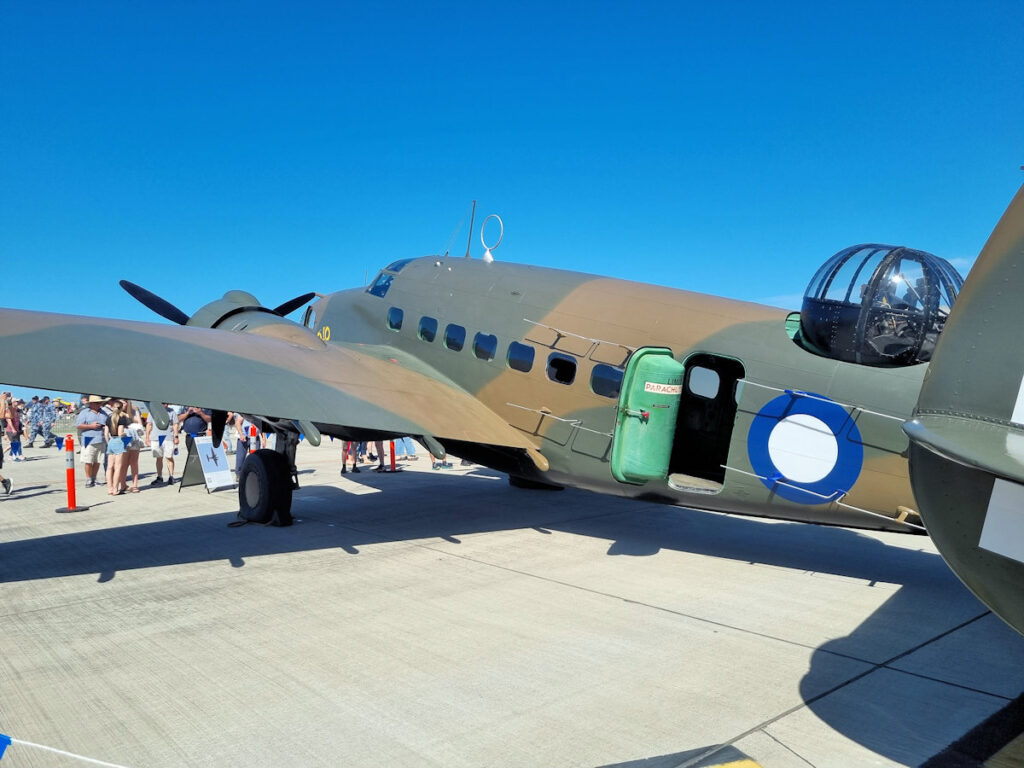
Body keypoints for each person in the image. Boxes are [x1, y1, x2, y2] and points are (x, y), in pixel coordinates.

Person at [76, 395, 109, 487]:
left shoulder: (103, 413)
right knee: (88, 460)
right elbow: (78, 425)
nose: (99, 405)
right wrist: (91, 426)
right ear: (91, 404)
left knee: (98, 461)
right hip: (88, 439)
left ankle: (94, 478)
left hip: (101, 439)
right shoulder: (84, 412)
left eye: (100, 403)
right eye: (97, 403)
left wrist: (104, 427)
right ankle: (88, 479)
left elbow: (107, 423)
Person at [146, 403, 179, 485]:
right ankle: (159, 476)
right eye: (164, 403)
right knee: (158, 457)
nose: (166, 405)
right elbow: (149, 424)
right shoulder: (153, 412)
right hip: (156, 438)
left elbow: (175, 424)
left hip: (168, 437)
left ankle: (171, 476)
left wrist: (176, 436)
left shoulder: (172, 412)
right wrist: (147, 437)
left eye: (167, 403)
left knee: (169, 457)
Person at [104, 399, 128, 494]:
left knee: (109, 467)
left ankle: (109, 488)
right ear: (121, 408)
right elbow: (120, 433)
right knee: (118, 467)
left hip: (111, 441)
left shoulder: (108, 418)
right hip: (118, 441)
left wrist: (108, 442)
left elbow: (106, 433)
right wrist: (126, 434)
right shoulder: (121, 418)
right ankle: (115, 488)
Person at [123, 402, 145, 493]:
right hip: (124, 440)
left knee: (134, 462)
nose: (123, 405)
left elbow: (141, 426)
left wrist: (136, 412)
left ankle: (135, 484)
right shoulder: (118, 412)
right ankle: (122, 484)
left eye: (124, 403)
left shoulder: (133, 412)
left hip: (135, 440)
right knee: (123, 464)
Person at [2, 394, 24, 462]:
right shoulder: (9, 410)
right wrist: (13, 429)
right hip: (11, 430)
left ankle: (10, 456)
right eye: (16, 401)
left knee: (16, 443)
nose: (18, 403)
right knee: (15, 443)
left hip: (15, 429)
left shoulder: (16, 410)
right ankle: (16, 456)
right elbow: (9, 420)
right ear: (13, 402)